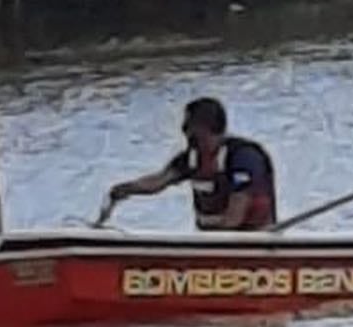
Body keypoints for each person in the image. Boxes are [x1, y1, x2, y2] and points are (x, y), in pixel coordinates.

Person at [102, 97, 278, 230]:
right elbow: (159, 181)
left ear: (202, 127)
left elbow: (235, 218)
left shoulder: (243, 158)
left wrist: (206, 232)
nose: (183, 130)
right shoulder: (192, 158)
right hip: (212, 243)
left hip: (251, 243)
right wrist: (125, 189)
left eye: (187, 124)